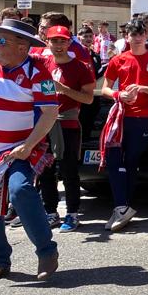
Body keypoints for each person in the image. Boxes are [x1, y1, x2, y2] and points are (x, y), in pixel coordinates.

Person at [0, 18, 60, 283]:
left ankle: (47, 251)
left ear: (22, 46)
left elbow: (50, 113)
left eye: (1, 41)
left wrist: (28, 146)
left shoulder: (39, 73)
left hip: (21, 149)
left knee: (20, 190)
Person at [100, 20, 148, 232]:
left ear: (147, 35)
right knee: (114, 159)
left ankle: (122, 207)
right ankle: (122, 206)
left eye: (141, 33)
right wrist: (119, 94)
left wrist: (143, 89)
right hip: (121, 116)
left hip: (143, 117)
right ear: (127, 36)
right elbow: (105, 89)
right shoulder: (118, 60)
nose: (137, 37)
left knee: (131, 161)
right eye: (132, 33)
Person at [40, 25, 96, 232]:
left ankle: (72, 213)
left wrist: (63, 90)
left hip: (68, 123)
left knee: (69, 170)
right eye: (54, 41)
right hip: (44, 123)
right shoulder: (43, 64)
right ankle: (51, 212)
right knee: (46, 170)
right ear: (48, 42)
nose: (59, 45)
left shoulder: (81, 67)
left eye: (62, 41)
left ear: (69, 42)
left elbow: (89, 99)